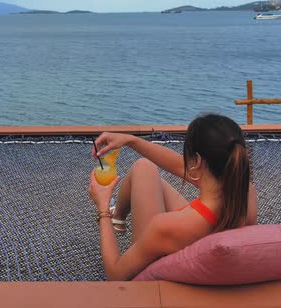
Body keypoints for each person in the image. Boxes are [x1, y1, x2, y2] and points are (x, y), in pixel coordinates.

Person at [88, 113, 258, 281]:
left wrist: (102, 207)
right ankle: (118, 218)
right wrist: (132, 141)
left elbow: (115, 275)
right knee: (144, 167)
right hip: (202, 230)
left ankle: (112, 216)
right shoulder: (246, 194)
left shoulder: (166, 227)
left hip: (155, 283)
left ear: (197, 162)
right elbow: (180, 166)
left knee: (141, 170)